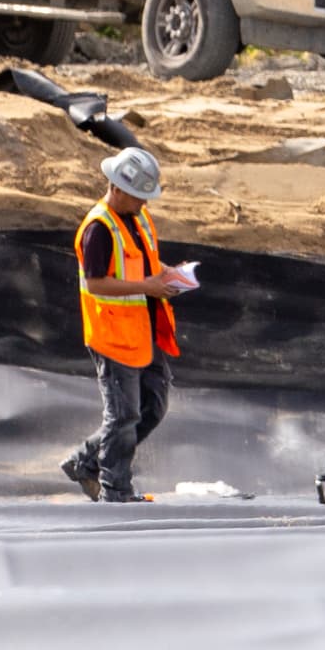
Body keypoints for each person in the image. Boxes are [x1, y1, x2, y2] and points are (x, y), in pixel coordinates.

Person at [60, 146, 194, 502]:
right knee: (123, 416)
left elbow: (143, 260)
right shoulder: (99, 229)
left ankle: (85, 462)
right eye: (138, 196)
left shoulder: (137, 219)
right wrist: (147, 287)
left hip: (143, 332)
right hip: (113, 336)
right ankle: (115, 491)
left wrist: (168, 275)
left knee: (153, 407)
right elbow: (95, 282)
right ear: (117, 188)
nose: (143, 204)